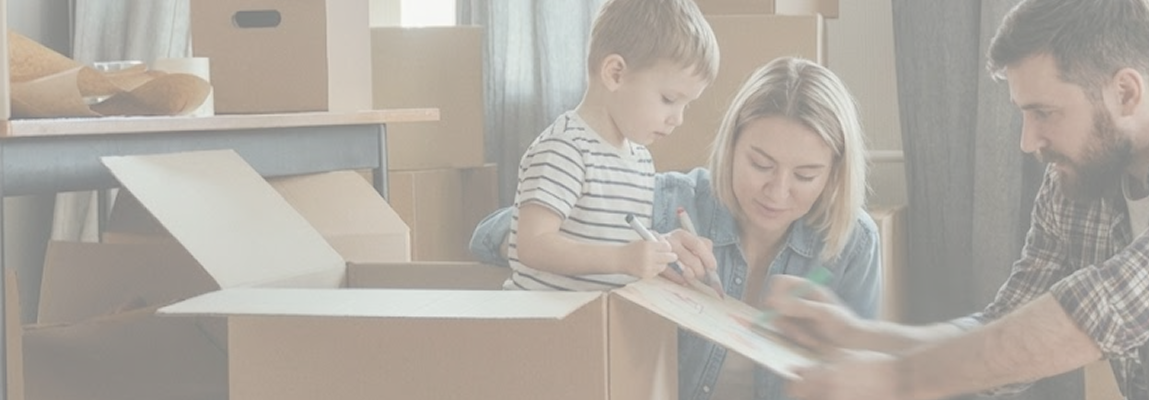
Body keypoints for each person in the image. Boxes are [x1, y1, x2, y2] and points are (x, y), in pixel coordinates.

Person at [761, 1, 1149, 399]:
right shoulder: (1073, 181)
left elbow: (1099, 310)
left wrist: (897, 379)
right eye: (1024, 115)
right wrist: (859, 336)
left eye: (1045, 113)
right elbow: (1001, 331)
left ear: (1125, 93)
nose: (1028, 141)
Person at [471, 56, 883, 400]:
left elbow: (857, 378)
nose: (777, 191)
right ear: (732, 146)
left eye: (806, 175)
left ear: (833, 175)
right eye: (760, 164)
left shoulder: (851, 242)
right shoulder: (672, 202)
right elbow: (488, 236)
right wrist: (625, 250)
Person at [502, 0, 720, 291]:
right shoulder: (565, 149)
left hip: (599, 323)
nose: (677, 119)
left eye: (686, 106)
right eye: (669, 99)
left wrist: (656, 247)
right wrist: (621, 258)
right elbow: (532, 245)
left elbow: (614, 241)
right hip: (546, 327)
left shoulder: (641, 159)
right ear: (615, 73)